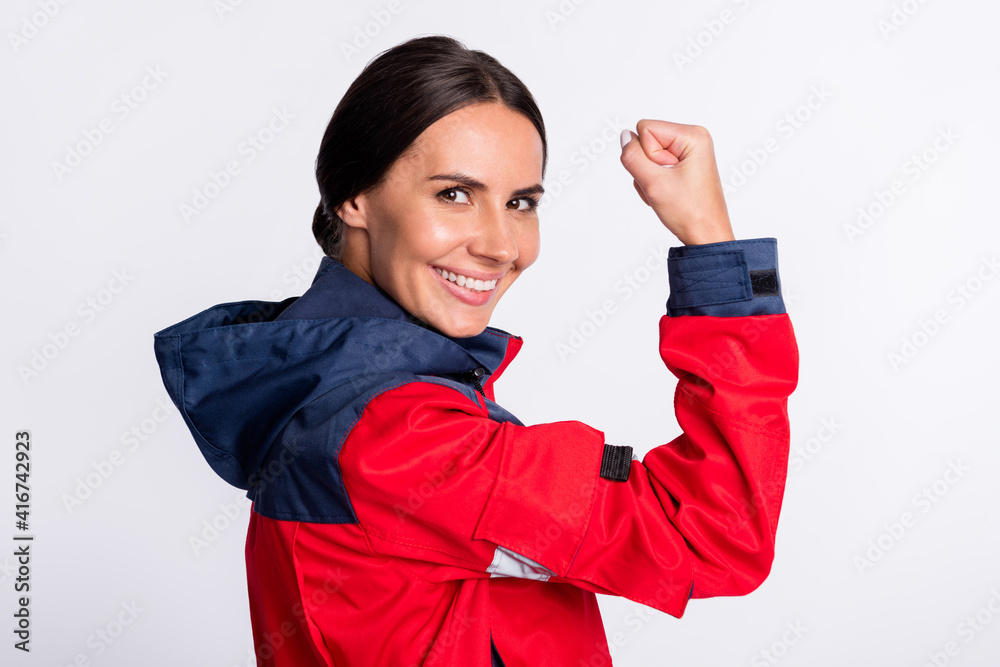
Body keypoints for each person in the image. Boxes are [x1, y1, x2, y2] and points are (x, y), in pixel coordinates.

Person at [153, 35, 799, 666]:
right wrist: (712, 244)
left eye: (521, 202)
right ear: (354, 197)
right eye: (454, 194)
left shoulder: (323, 388)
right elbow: (714, 535)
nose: (499, 243)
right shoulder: (403, 435)